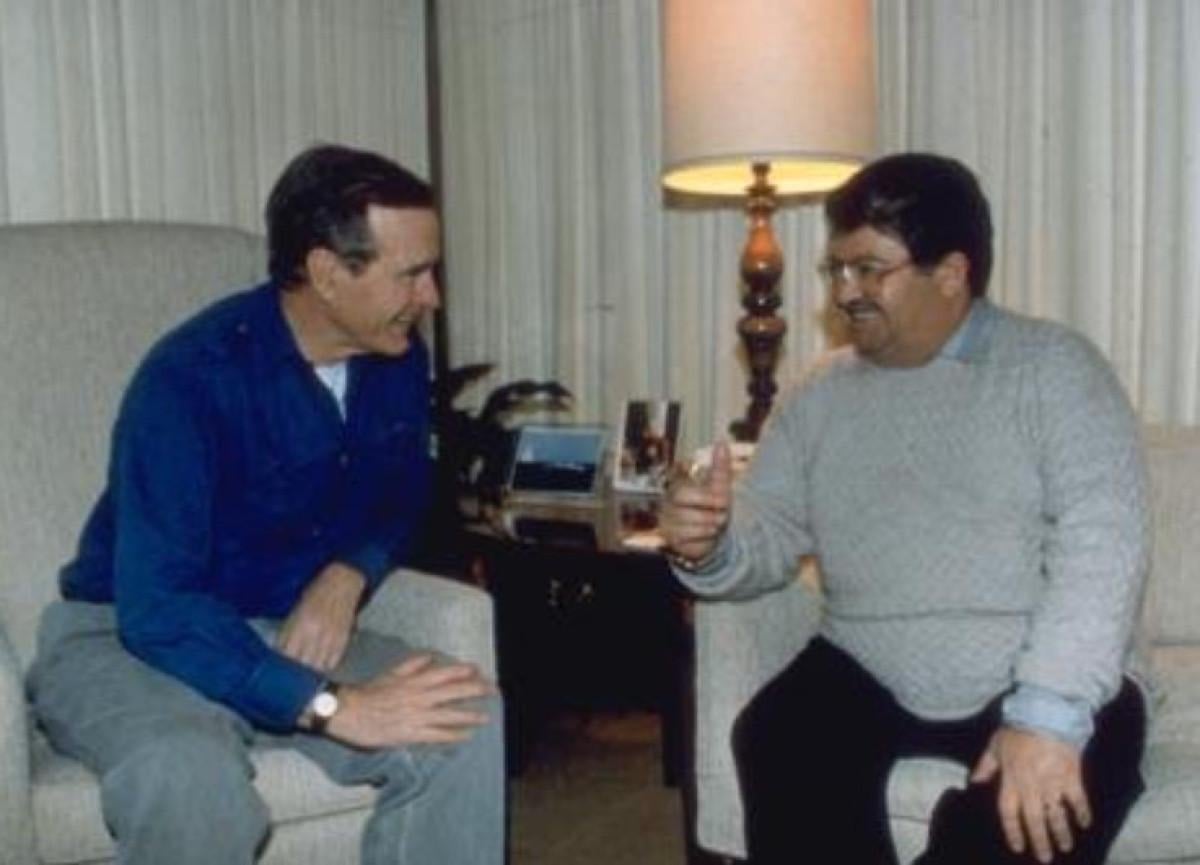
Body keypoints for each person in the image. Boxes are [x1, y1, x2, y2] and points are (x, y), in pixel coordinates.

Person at [661, 153, 1148, 865]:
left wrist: (1047, 717)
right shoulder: (818, 393)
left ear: (950, 273)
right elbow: (769, 533)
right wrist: (710, 543)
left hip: (1032, 663)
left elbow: (1103, 550)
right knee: (774, 736)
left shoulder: (1055, 369)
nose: (842, 293)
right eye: (835, 269)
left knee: (1029, 819)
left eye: (869, 269)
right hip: (867, 663)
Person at [27, 143, 504, 865]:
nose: (432, 296)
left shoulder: (396, 356)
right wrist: (330, 705)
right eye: (411, 274)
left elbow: (404, 487)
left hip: (279, 625)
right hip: (126, 635)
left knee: (464, 718)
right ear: (327, 272)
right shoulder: (188, 379)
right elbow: (158, 607)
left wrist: (350, 570)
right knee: (188, 779)